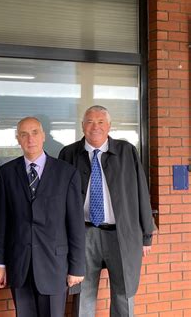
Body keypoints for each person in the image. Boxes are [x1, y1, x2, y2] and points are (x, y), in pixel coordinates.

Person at [58, 105, 155, 317]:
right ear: (82, 126)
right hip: (83, 234)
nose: (95, 127)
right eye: (90, 122)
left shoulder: (127, 151)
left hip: (121, 234)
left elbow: (141, 192)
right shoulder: (68, 153)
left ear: (109, 126)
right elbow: (58, 199)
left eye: (101, 122)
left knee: (124, 292)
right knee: (83, 292)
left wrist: (146, 235)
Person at [0, 116, 85, 317]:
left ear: (43, 136)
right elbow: (2, 222)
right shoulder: (6, 172)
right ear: (17, 139)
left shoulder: (67, 173)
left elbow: (76, 224)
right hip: (20, 264)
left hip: (55, 265)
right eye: (24, 134)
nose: (30, 139)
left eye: (35, 133)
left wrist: (77, 267)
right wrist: (0, 263)